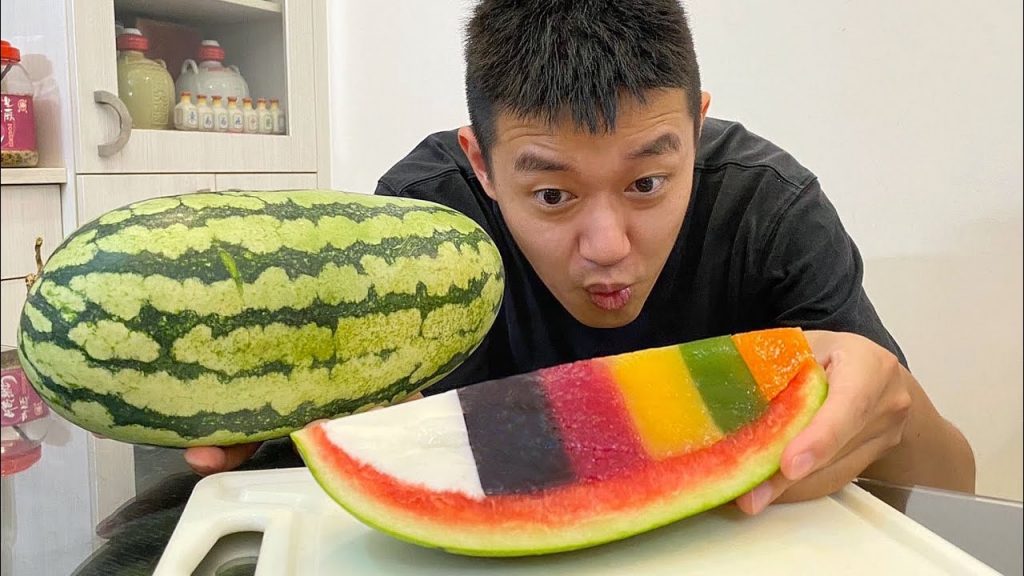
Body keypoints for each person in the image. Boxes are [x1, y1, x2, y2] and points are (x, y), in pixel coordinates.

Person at [185, 0, 975, 514]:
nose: (607, 247)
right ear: (482, 163)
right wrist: (274, 421)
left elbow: (953, 488)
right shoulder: (423, 222)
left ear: (695, 127)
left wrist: (896, 406)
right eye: (553, 194)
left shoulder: (769, 212)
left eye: (647, 183)